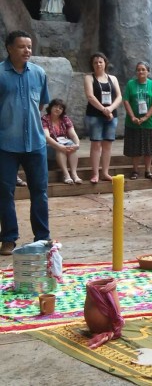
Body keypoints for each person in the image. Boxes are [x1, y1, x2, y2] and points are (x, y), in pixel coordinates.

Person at [0, 30, 51, 255]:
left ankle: (42, 237)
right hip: (5, 145)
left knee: (39, 191)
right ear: (9, 48)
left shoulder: (39, 73)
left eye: (29, 47)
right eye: (22, 47)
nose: (27, 51)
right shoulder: (0, 74)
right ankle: (9, 238)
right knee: (4, 192)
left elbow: (41, 106)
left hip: (36, 144)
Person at [84, 52, 122, 184]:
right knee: (96, 144)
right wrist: (104, 110)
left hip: (111, 116)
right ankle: (95, 173)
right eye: (95, 62)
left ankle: (105, 172)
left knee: (108, 145)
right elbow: (90, 96)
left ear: (105, 63)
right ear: (92, 65)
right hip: (95, 115)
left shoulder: (113, 78)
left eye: (100, 62)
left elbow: (119, 97)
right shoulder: (89, 78)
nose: (98, 64)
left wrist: (110, 109)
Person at [123, 61, 152, 180]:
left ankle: (147, 171)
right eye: (138, 69)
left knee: (149, 148)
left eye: (143, 69)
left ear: (148, 72)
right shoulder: (131, 84)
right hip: (133, 122)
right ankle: (135, 171)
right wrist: (133, 116)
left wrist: (145, 117)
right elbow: (126, 100)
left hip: (149, 122)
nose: (140, 72)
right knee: (135, 148)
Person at [41, 98, 81, 184]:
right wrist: (59, 146)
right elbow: (47, 137)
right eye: (55, 106)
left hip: (64, 144)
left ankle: (74, 174)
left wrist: (77, 144)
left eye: (60, 108)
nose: (58, 109)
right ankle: (66, 175)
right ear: (50, 107)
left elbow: (73, 134)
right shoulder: (44, 119)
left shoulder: (65, 118)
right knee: (60, 148)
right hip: (49, 146)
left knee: (71, 145)